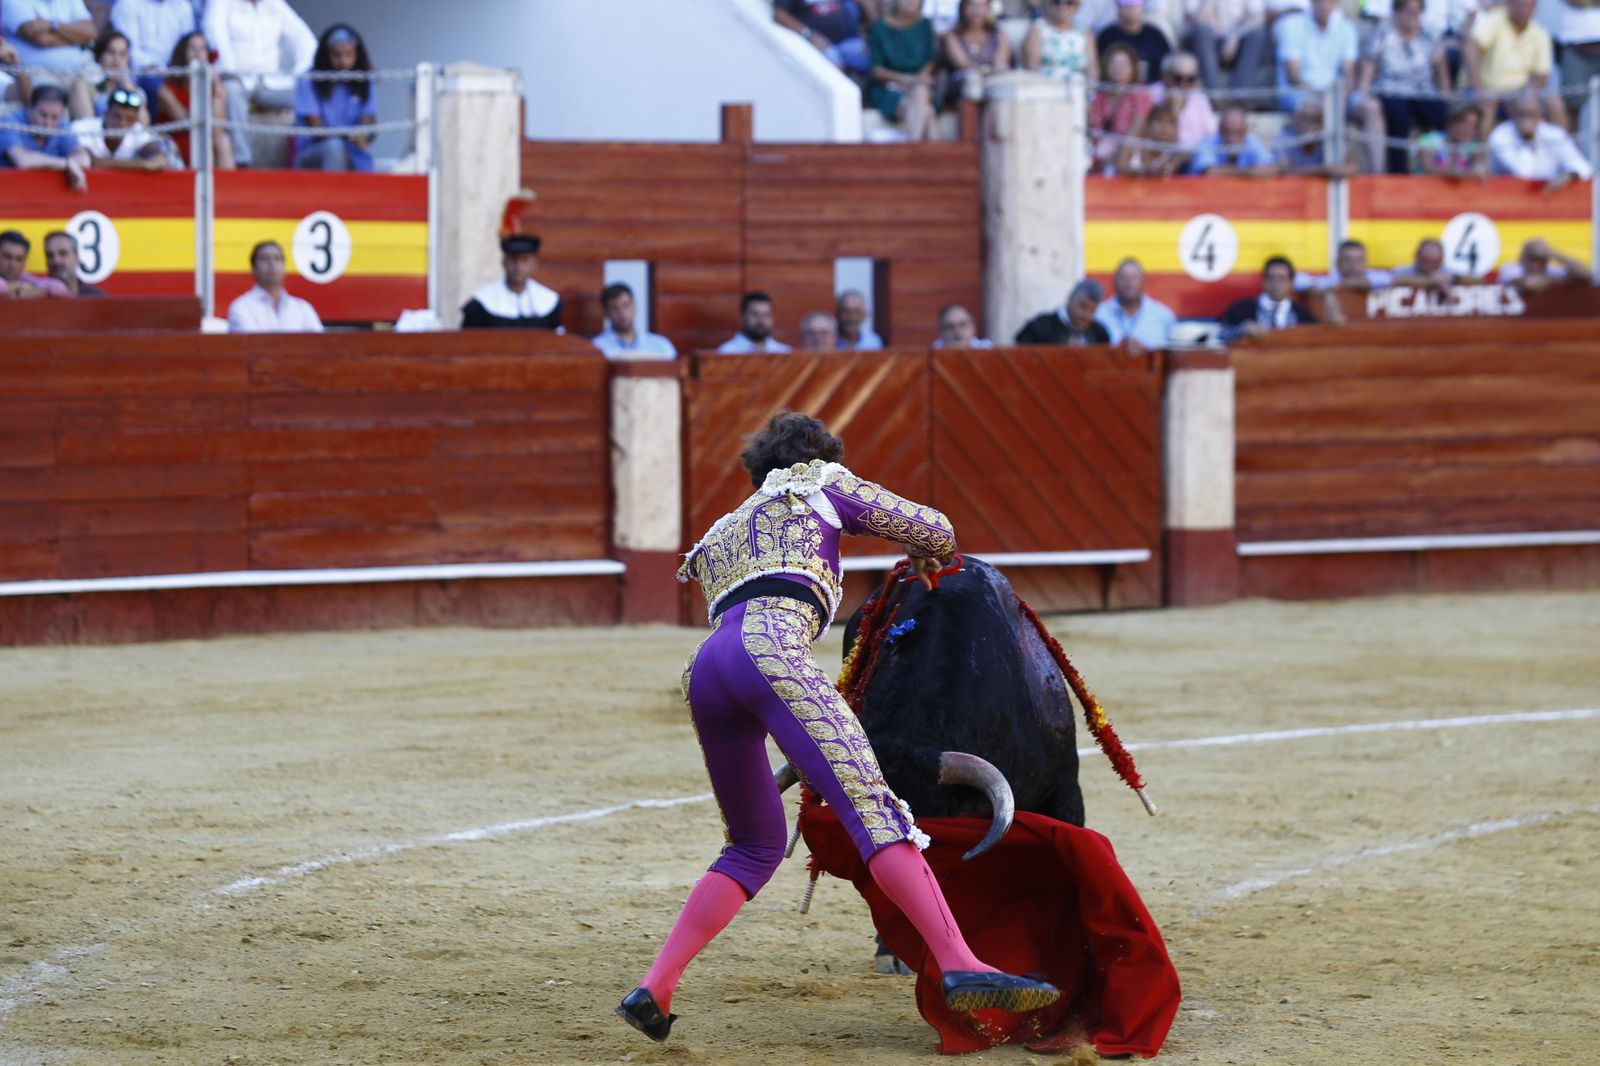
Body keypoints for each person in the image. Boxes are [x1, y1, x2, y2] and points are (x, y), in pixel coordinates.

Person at [618, 410, 1063, 1045]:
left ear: (757, 473)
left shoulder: (727, 527)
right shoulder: (822, 484)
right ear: (821, 457)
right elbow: (935, 527)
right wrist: (928, 554)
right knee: (875, 811)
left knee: (752, 844)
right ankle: (961, 963)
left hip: (708, 669)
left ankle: (654, 988)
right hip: (771, 651)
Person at [204, 0, 317, 169]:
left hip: (271, 82)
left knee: (305, 92)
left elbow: (304, 39)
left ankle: (302, 156)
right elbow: (214, 32)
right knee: (231, 92)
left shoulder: (275, 4)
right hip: (237, 79)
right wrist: (230, 71)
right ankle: (242, 160)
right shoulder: (222, 3)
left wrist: (300, 73)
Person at [1357, 0, 1449, 175]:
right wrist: (1364, 94)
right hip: (1390, 91)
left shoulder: (1429, 34)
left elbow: (1441, 70)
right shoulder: (1382, 33)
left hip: (1423, 92)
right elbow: (1369, 68)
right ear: (1397, 11)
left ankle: (1441, 168)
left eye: (1417, 12)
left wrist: (1447, 97)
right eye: (1409, 11)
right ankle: (1399, 172)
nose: (1414, 17)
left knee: (1442, 113)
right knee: (1399, 115)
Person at [1465, 0, 1566, 128]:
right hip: (1489, 90)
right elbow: (1471, 47)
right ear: (1510, 5)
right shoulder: (1495, 20)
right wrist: (1479, 86)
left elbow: (1541, 77)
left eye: (1527, 5)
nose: (1523, 10)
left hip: (1521, 92)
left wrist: (1527, 95)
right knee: (1489, 101)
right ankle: (1484, 147)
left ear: (1534, 7)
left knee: (1554, 103)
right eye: (1519, 4)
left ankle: (1559, 146)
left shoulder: (1540, 33)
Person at [293, 24, 376, 172]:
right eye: (337, 55)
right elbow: (317, 129)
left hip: (351, 148)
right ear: (326, 55)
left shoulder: (364, 80)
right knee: (335, 147)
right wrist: (351, 135)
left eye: (348, 54)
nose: (343, 61)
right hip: (313, 154)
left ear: (357, 54)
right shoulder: (309, 80)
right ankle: (334, 195)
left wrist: (364, 136)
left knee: (363, 153)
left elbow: (368, 120)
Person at [1, 0, 97, 119]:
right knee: (55, 122)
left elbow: (91, 32)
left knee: (87, 125)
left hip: (74, 74)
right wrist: (75, 37)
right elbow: (41, 39)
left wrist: (53, 24)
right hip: (39, 74)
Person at [1487, 92, 1593, 192]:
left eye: (1531, 114)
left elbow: (1584, 169)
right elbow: (1523, 173)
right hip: (1510, 196)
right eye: (1522, 114)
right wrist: (1528, 138)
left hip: (1549, 197)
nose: (1526, 120)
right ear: (1512, 114)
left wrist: (1569, 175)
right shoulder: (1500, 135)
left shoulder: (1554, 134)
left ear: (1541, 115)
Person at [866, 0, 941, 141]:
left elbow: (931, 59)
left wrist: (918, 78)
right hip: (888, 88)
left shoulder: (925, 25)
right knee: (928, 112)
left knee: (920, 91)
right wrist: (907, 79)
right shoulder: (879, 27)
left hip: (920, 84)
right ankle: (930, 157)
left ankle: (913, 149)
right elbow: (876, 70)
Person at [157, 31, 233, 169]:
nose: (198, 53)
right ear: (182, 53)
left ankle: (228, 189)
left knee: (223, 141)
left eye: (202, 48)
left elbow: (216, 130)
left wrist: (214, 86)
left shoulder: (217, 89)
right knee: (204, 141)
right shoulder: (166, 90)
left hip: (205, 145)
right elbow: (190, 123)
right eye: (192, 48)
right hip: (178, 146)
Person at [461, 234, 563, 330]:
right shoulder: (480, 305)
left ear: (534, 264)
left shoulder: (549, 302)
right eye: (513, 259)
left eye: (524, 259)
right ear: (504, 262)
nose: (518, 266)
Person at [0, 84, 92, 189]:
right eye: (43, 115)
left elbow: (84, 160)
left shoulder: (62, 124)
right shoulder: (9, 121)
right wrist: (67, 163)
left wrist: (66, 163)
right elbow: (23, 160)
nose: (48, 123)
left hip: (43, 191)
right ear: (30, 107)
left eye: (54, 117)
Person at [71, 85, 183, 170]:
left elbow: (160, 161)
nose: (122, 123)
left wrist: (147, 163)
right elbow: (90, 162)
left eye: (129, 119)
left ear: (135, 121)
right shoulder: (83, 128)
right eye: (117, 116)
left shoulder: (137, 130)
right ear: (106, 114)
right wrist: (144, 164)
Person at [1274, 0, 1357, 114]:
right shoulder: (1291, 25)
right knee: (1314, 110)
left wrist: (1342, 96)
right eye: (1319, 1)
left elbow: (1349, 73)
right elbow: (1294, 77)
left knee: (1370, 108)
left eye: (1329, 1)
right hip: (1300, 93)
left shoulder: (1346, 28)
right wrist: (1324, 98)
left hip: (1334, 95)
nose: (1324, 5)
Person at [227, 239, 323, 332]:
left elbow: (320, 344)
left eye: (277, 258)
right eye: (264, 259)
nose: (271, 264)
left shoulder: (302, 309)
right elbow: (249, 346)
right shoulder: (241, 307)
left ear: (285, 267)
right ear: (254, 269)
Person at [111, 0, 197, 101]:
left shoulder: (182, 5)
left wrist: (173, 69)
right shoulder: (127, 4)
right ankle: (184, 116)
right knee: (153, 81)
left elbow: (187, 45)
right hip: (141, 72)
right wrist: (154, 67)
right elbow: (127, 49)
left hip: (175, 70)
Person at [1219, 256, 1317, 340]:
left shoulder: (1302, 313)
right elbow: (1219, 334)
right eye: (1271, 278)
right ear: (1263, 281)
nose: (1276, 284)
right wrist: (1242, 330)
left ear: (1291, 283)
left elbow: (1317, 336)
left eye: (1281, 279)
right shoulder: (1241, 309)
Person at [1088, 44, 1152, 172]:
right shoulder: (1098, 97)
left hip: (1128, 158)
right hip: (1099, 159)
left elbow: (1134, 132)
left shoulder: (1140, 95)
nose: (1118, 68)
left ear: (1132, 68)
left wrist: (1119, 164)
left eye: (1124, 64)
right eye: (1114, 63)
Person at [1182, 0, 1268, 92]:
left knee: (1257, 34)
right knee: (1202, 30)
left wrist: (1235, 36)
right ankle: (1214, 94)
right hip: (1205, 43)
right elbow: (1196, 20)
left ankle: (1239, 96)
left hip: (1237, 41)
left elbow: (1257, 17)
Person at [774, 0, 874, 76]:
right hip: (819, 46)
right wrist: (809, 34)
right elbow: (779, 14)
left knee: (878, 59)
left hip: (847, 42)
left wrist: (877, 32)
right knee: (835, 72)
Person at [1095, 259, 1176, 352]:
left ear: (1143, 282)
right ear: (1114, 281)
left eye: (1134, 277)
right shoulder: (1099, 314)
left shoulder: (1163, 315)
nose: (1129, 282)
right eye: (1123, 277)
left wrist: (1145, 351)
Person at [942, 0, 1011, 104]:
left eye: (981, 5)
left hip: (993, 84)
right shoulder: (952, 36)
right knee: (972, 82)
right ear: (963, 8)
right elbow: (963, 64)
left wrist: (992, 72)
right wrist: (987, 71)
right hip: (962, 87)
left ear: (988, 9)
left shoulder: (999, 34)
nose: (976, 10)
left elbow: (1000, 64)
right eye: (971, 5)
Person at [1149, 50, 1216, 151]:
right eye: (1178, 78)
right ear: (1164, 76)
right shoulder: (1151, 95)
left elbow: (1211, 136)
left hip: (1194, 157)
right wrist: (1174, 111)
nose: (1184, 85)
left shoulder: (1200, 99)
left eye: (1190, 79)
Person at [1188, 103, 1278, 175]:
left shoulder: (1252, 141)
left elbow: (1271, 168)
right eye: (1227, 132)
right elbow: (1209, 172)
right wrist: (1250, 172)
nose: (1232, 139)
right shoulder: (1206, 144)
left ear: (1245, 131)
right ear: (1219, 129)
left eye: (1238, 133)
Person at [1021, 0, 1098, 84]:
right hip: (1046, 90)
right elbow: (1032, 71)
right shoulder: (1037, 30)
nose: (1062, 6)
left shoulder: (1085, 32)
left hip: (1079, 90)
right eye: (1056, 2)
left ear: (1077, 6)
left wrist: (1090, 91)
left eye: (1069, 3)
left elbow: (1092, 70)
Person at [592, 282, 676, 358]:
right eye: (614, 308)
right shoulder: (597, 348)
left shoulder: (661, 345)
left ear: (634, 306)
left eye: (625, 305)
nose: (622, 313)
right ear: (606, 312)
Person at [1015, 279, 1113, 344]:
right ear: (1070, 298)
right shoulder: (1039, 327)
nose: (1086, 315)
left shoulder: (1099, 333)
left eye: (1093, 310)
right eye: (1083, 306)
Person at [1096, 0, 1171, 83]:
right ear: (1117, 5)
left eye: (1136, 2)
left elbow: (1168, 67)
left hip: (1152, 92)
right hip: (1115, 92)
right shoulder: (1106, 37)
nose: (1131, 6)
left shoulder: (1156, 36)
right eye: (1125, 2)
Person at [1413, 103, 1488, 179]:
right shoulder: (1429, 140)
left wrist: (1479, 168)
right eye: (1464, 123)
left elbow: (1482, 169)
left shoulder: (1472, 147)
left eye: (1474, 126)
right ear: (1451, 122)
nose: (1468, 130)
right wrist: (1459, 173)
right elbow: (1428, 169)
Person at [1116, 102, 1190, 177]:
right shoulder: (1134, 142)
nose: (1164, 126)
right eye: (1159, 121)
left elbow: (1186, 154)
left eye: (1170, 122)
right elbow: (1120, 167)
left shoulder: (1171, 152)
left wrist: (1170, 166)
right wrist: (1144, 171)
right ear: (1149, 124)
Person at [1496, 237, 1594, 293]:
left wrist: (1555, 253)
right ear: (1522, 259)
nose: (1535, 264)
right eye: (1531, 259)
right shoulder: (1511, 269)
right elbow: (1531, 285)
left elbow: (1587, 275)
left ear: (1547, 260)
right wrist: (1561, 281)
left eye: (1541, 260)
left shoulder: (1550, 270)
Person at [0, 229, 70, 298]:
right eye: (7, 257)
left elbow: (60, 288)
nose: (12, 264)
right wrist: (20, 288)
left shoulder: (26, 279)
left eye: (19, 259)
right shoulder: (26, 285)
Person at [718, 292, 793, 353]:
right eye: (755, 314)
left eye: (766, 315)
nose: (761, 320)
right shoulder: (726, 352)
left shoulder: (784, 352)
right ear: (742, 317)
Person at [87, 29, 137, 115]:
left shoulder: (135, 90)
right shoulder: (85, 86)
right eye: (111, 52)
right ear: (99, 55)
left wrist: (127, 86)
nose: (117, 60)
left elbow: (144, 123)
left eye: (122, 54)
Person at [43, 229, 105, 296]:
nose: (56, 261)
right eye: (49, 255)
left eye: (63, 253)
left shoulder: (95, 298)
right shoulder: (38, 297)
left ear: (77, 257)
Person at [1390, 236, 1456, 292]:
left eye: (1433, 263)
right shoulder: (1402, 272)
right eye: (1424, 261)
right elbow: (1393, 280)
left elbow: (1464, 278)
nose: (1427, 266)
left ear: (1441, 260)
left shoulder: (1449, 273)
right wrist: (1433, 281)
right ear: (1416, 256)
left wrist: (1454, 278)